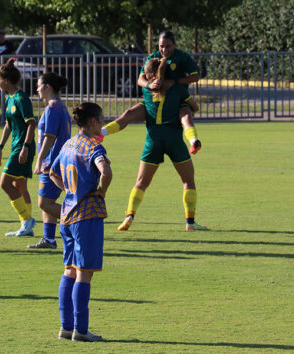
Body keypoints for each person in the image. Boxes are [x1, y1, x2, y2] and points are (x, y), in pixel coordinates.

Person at [100, 31, 207, 232]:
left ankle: (129, 216)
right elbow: (191, 111)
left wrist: (149, 85)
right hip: (174, 139)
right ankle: (190, 223)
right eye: (161, 46)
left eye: (167, 46)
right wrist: (183, 101)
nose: (163, 49)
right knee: (188, 180)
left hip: (153, 141)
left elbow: (127, 115)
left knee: (141, 182)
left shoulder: (147, 93)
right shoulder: (177, 90)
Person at [50, 102, 112, 342]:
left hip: (66, 214)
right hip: (86, 216)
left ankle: (66, 327)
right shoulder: (92, 147)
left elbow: (53, 172)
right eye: (102, 119)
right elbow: (105, 171)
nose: (104, 123)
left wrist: (68, 190)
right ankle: (82, 330)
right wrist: (101, 191)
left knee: (69, 270)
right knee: (84, 273)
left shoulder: (68, 144)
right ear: (94, 121)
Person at [28, 73, 71, 249]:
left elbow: (50, 137)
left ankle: (78, 220)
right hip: (57, 161)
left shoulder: (53, 109)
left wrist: (39, 160)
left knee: (44, 203)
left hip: (52, 163)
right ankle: (49, 239)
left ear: (47, 87)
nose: (37, 89)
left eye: (38, 86)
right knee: (48, 201)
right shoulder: (60, 107)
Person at [0, 58, 37, 237]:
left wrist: (26, 147)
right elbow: (8, 125)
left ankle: (27, 219)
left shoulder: (21, 98)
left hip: (23, 146)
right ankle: (26, 226)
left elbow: (31, 123)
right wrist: (0, 147)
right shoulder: (9, 99)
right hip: (15, 146)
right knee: (20, 186)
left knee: (4, 183)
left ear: (5, 81)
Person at [143, 56, 201, 154]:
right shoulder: (176, 88)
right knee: (186, 117)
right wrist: (185, 106)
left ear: (152, 75)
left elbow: (141, 81)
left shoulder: (146, 89)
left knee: (128, 114)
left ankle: (106, 131)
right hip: (174, 134)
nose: (144, 76)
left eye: (145, 74)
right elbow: (195, 107)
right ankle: (193, 141)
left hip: (154, 136)